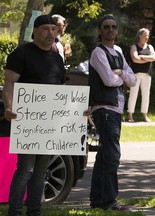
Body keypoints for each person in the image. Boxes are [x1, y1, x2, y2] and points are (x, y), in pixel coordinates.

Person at [3, 15, 65, 216]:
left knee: (41, 171)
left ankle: (35, 211)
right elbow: (10, 83)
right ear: (35, 32)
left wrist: (76, 111)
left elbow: (61, 91)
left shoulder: (57, 57)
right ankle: (14, 211)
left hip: (48, 124)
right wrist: (9, 107)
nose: (50, 33)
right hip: (26, 122)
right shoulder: (22, 54)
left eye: (53, 29)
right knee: (26, 169)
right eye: (45, 29)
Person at [88, 15, 137, 211]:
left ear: (117, 31)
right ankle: (109, 201)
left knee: (104, 156)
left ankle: (98, 201)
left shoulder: (118, 51)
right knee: (112, 154)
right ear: (100, 31)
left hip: (116, 109)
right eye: (106, 27)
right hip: (104, 109)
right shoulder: (98, 53)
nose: (110, 30)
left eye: (113, 27)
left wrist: (121, 73)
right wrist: (120, 76)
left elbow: (133, 80)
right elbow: (109, 80)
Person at [127, 28, 155, 123]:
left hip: (147, 74)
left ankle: (145, 115)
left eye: (148, 35)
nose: (147, 37)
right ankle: (130, 116)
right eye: (145, 35)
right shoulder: (134, 47)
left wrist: (142, 57)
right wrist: (148, 59)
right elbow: (135, 59)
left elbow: (154, 57)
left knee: (146, 95)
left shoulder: (150, 47)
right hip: (135, 74)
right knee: (133, 94)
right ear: (139, 36)